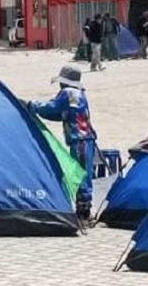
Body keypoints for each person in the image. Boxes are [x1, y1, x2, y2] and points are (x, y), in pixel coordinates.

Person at [27, 65, 98, 220]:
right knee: (85, 173)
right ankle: (85, 207)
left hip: (79, 139)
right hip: (87, 138)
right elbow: (64, 114)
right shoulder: (79, 94)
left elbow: (52, 108)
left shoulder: (67, 93)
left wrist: (32, 105)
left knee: (80, 174)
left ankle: (83, 211)